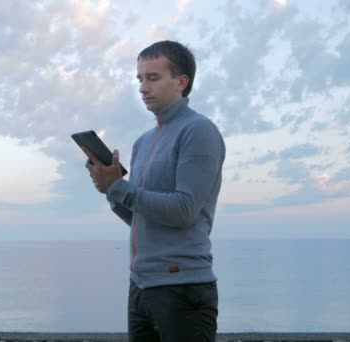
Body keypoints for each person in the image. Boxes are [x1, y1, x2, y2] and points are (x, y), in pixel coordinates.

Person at [82, 40, 225, 342]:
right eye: (140, 79)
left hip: (183, 288)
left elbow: (183, 211)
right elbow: (140, 217)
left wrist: (119, 187)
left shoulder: (198, 130)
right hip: (141, 287)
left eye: (153, 77)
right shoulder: (143, 142)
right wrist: (110, 189)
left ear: (181, 82)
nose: (143, 87)